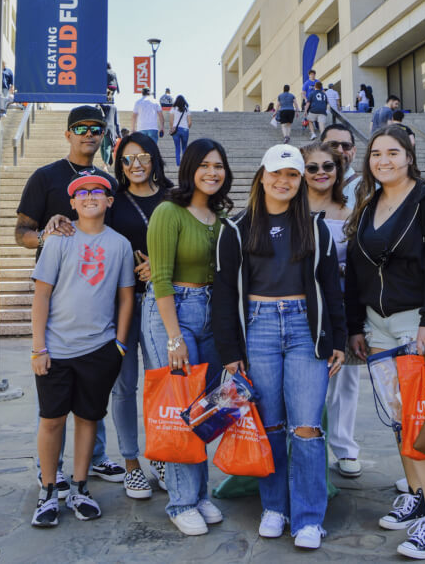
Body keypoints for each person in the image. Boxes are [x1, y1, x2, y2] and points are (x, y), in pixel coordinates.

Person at [212, 144, 346, 550]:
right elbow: (223, 295)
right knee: (268, 424)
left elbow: (330, 289)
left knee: (306, 426)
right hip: (259, 328)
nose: (284, 182)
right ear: (262, 176)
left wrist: (337, 338)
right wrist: (230, 353)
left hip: (306, 328)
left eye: (292, 175)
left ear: (300, 180)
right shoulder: (236, 230)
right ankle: (275, 507)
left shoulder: (315, 227)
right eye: (277, 174)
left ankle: (308, 517)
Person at [344, 126, 425, 559]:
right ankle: (416, 494)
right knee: (399, 418)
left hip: (421, 324)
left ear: (410, 155)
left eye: (393, 152)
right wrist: (356, 325)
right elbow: (357, 271)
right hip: (378, 326)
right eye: (376, 153)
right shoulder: (369, 203)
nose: (384, 160)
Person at [15, 105, 126, 493]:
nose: (89, 134)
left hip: (98, 296)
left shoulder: (107, 182)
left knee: (91, 397)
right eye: (80, 128)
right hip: (56, 293)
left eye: (96, 128)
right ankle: (52, 470)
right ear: (67, 134)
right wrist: (46, 236)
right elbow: (21, 233)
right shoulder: (45, 178)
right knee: (54, 404)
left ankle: (93, 461)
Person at [30, 172, 135, 527]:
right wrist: (38, 347)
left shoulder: (119, 244)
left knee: (89, 418)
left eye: (99, 192)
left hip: (99, 349)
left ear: (109, 201)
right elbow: (42, 294)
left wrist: (119, 345)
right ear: (72, 203)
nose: (91, 196)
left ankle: (79, 487)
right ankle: (48, 490)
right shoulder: (59, 239)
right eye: (82, 192)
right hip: (56, 350)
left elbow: (125, 297)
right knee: (52, 419)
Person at [141, 138, 233, 535]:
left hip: (213, 314)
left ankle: (199, 494)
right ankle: (180, 502)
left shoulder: (223, 218)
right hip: (173, 312)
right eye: (205, 165)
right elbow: (159, 277)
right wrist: (174, 337)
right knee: (180, 408)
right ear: (190, 168)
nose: (213, 172)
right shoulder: (168, 211)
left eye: (219, 166)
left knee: (204, 409)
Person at [107, 132, 173, 499]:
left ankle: (160, 456)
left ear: (154, 160)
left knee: (161, 383)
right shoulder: (113, 201)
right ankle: (131, 463)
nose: (136, 165)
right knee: (125, 385)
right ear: (120, 164)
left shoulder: (172, 197)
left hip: (162, 301)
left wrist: (160, 268)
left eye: (143, 156)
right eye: (128, 159)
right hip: (122, 306)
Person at [302, 142, 363, 478]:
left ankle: (344, 447)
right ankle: (306, 445)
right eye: (313, 167)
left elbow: (359, 262)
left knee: (345, 379)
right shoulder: (289, 208)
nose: (321, 173)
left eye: (329, 166)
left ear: (339, 171)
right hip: (298, 308)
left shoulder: (349, 211)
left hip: (339, 306)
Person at [321, 124, 360, 210]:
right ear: (320, 148)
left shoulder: (368, 189)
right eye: (332, 145)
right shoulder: (306, 185)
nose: (340, 151)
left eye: (346, 146)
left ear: (354, 151)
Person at [98, 90, 121, 171]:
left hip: (100, 127)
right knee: (107, 146)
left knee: (102, 146)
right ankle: (105, 164)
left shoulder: (100, 105)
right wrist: (119, 134)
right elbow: (117, 122)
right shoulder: (113, 107)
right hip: (110, 128)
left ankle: (105, 163)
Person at [169, 95, 192, 166]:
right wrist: (187, 128)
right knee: (184, 147)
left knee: (177, 147)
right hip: (185, 129)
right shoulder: (187, 109)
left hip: (176, 129)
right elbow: (190, 122)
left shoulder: (173, 109)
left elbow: (171, 121)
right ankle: (184, 164)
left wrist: (172, 128)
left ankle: (178, 164)